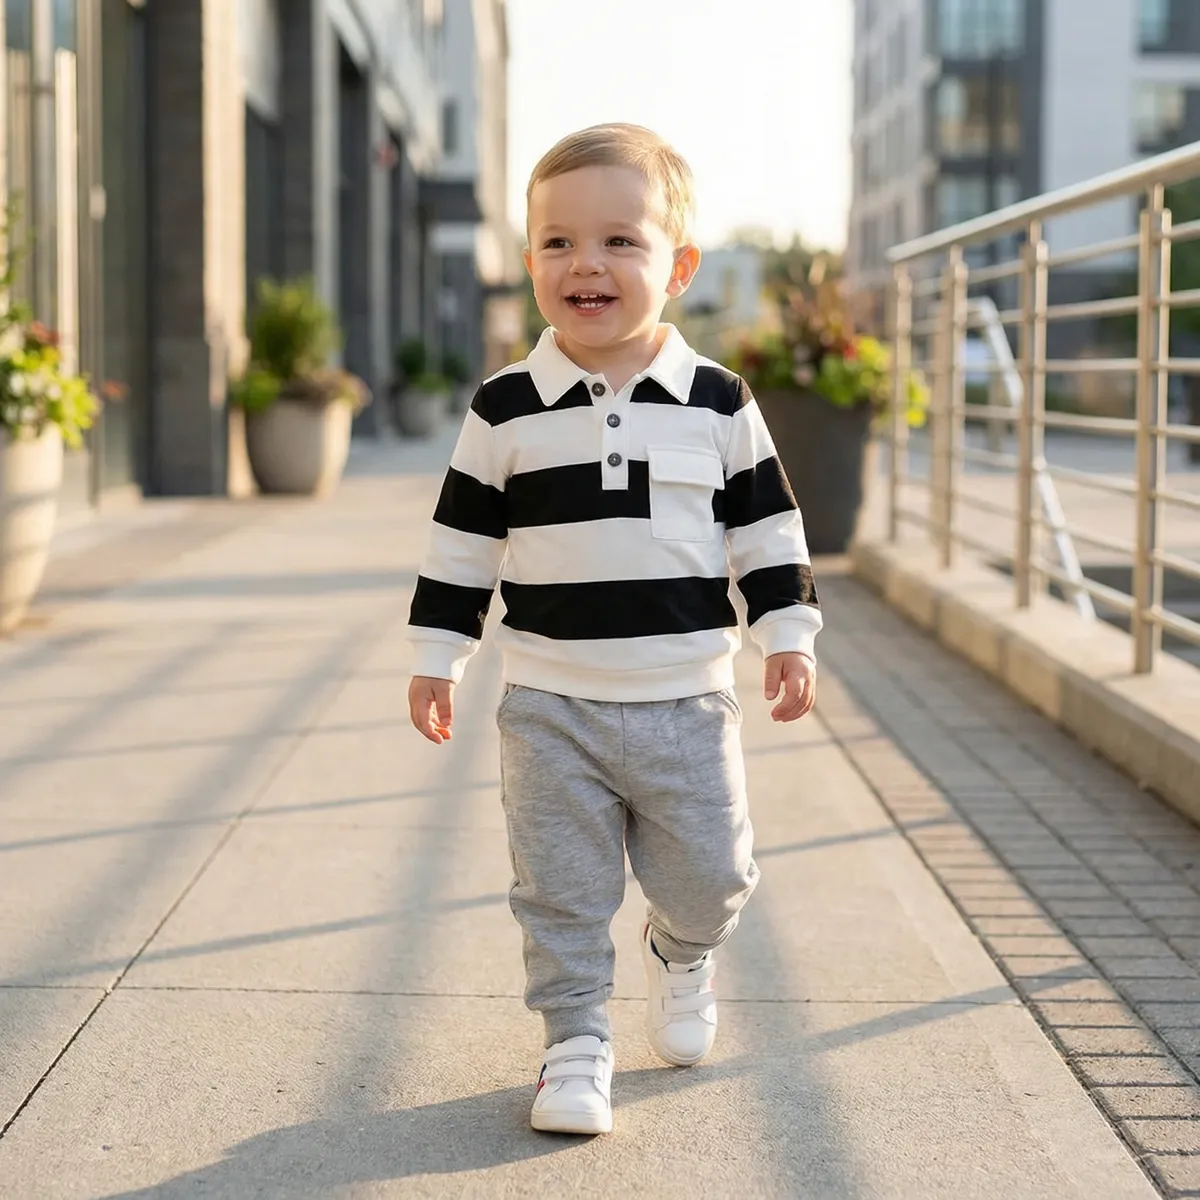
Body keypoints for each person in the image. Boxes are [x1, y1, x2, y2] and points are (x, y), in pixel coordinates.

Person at [406, 123, 821, 1136]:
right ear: (531, 260)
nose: (585, 263)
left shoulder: (718, 400)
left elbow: (766, 527)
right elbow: (462, 542)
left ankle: (681, 954)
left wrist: (788, 632)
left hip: (686, 698)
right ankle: (575, 1044)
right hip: (551, 705)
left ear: (676, 265)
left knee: (713, 876)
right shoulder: (506, 408)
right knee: (560, 892)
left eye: (618, 241)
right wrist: (437, 655)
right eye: (557, 242)